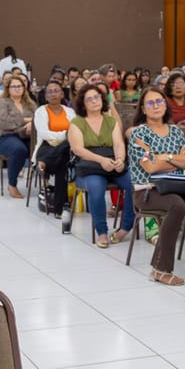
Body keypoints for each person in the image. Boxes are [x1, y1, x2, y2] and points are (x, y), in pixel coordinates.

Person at [128, 89, 185, 287]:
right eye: (150, 103)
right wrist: (176, 159)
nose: (156, 105)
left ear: (166, 105)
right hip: (147, 191)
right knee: (177, 205)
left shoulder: (175, 131)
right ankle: (160, 269)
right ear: (143, 109)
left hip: (176, 186)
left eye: (159, 101)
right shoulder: (139, 133)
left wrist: (163, 157)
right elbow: (150, 167)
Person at [67, 84, 134, 249]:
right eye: (89, 99)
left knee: (135, 184)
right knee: (97, 187)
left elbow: (118, 143)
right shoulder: (77, 122)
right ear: (83, 104)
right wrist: (101, 160)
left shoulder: (110, 121)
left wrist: (120, 159)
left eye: (96, 97)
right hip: (89, 167)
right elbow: (78, 149)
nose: (94, 101)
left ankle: (125, 228)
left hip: (111, 163)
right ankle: (102, 232)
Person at [33, 80, 75, 221]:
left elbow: (74, 132)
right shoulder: (40, 111)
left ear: (62, 93)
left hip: (65, 149)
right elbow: (44, 134)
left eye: (56, 90)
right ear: (45, 96)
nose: (53, 94)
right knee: (62, 159)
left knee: (64, 153)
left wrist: (62, 138)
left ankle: (42, 163)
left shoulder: (70, 112)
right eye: (50, 92)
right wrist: (64, 135)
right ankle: (61, 207)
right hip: (46, 147)